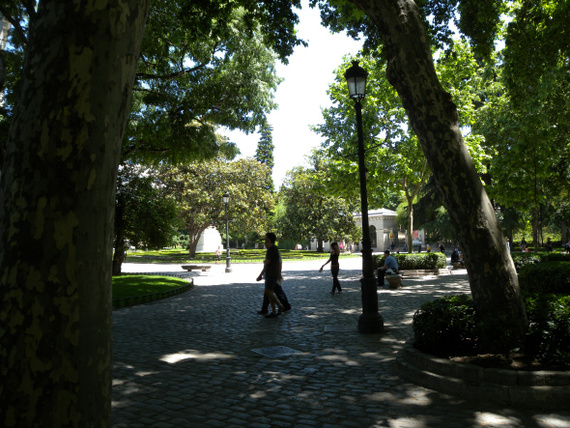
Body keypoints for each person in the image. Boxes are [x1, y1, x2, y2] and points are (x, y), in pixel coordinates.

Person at [256, 233, 287, 318]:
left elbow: (268, 262)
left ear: (270, 239)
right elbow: (266, 265)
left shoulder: (273, 248)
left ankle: (280, 306)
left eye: (266, 238)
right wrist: (261, 274)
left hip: (272, 274)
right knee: (269, 293)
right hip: (270, 273)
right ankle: (273, 311)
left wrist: (265, 262)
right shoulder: (271, 249)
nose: (265, 239)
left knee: (268, 292)